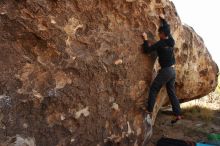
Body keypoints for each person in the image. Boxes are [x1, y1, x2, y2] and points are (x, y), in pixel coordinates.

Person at [142, 14, 182, 124]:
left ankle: (149, 109)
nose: (158, 34)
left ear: (163, 35)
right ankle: (178, 113)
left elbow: (147, 50)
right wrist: (163, 19)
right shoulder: (171, 41)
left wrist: (145, 39)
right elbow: (167, 29)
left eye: (159, 33)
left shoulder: (160, 43)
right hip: (173, 71)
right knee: (171, 92)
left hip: (166, 71)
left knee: (154, 88)